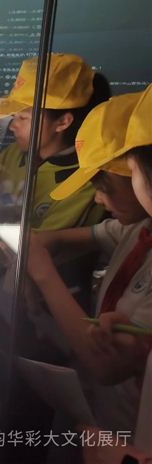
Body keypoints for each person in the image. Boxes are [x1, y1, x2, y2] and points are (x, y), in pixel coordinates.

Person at [26, 86, 152, 436]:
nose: (98, 198)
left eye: (104, 185)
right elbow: (62, 238)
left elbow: (105, 365)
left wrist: (42, 274)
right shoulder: (137, 229)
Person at [0, 53, 111, 230]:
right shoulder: (17, 152)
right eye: (13, 116)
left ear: (63, 122)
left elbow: (37, 244)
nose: (12, 126)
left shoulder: (85, 184)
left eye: (23, 117)